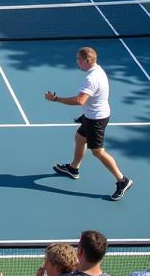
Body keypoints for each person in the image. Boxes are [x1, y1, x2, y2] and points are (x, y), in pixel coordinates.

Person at [45, 47, 133, 200]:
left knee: (98, 152)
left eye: (78, 60)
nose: (77, 62)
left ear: (87, 61)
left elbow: (80, 101)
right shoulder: (98, 70)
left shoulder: (91, 79)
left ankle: (122, 180)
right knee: (80, 138)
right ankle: (73, 169)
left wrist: (55, 98)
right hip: (92, 115)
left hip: (96, 119)